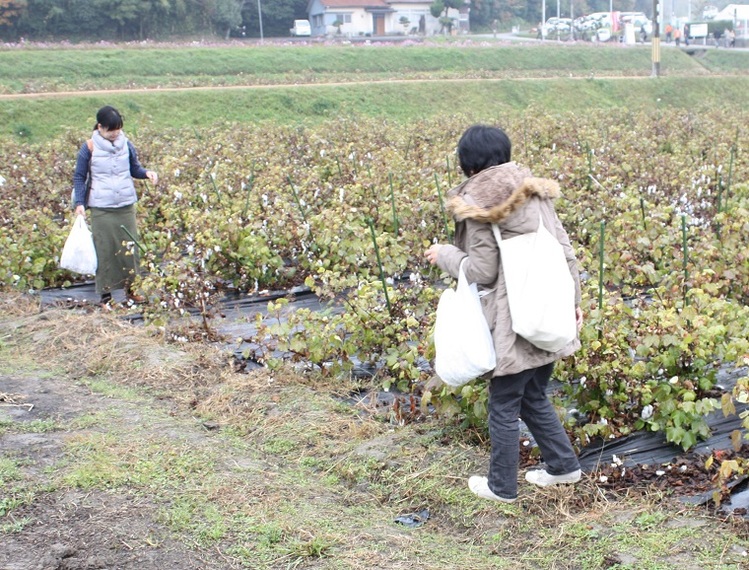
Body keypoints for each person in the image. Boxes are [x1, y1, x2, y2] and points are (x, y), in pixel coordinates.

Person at [424, 125, 583, 503]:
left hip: (513, 318)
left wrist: (445, 253)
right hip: (550, 306)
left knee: (504, 402)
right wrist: (574, 301)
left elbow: (483, 270)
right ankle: (563, 466)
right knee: (533, 394)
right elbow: (565, 249)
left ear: (467, 164)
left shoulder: (477, 202)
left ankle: (501, 487)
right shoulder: (534, 190)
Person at [72, 105, 158, 305]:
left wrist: (147, 173)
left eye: (118, 129)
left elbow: (134, 168)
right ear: (100, 127)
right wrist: (79, 203)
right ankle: (106, 296)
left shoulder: (126, 144)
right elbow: (79, 176)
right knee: (105, 250)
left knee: (129, 247)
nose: (115, 133)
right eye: (111, 130)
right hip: (102, 208)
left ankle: (133, 289)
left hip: (125, 205)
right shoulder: (89, 147)